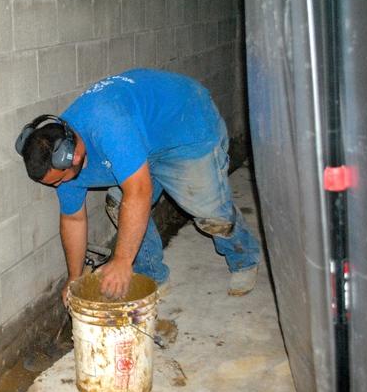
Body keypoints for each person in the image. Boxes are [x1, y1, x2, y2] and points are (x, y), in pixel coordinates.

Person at [15, 69, 261, 305]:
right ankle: (152, 275)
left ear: (74, 156)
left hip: (185, 124)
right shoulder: (59, 155)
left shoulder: (107, 125)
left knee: (209, 212)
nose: (58, 186)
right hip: (142, 138)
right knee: (118, 204)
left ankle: (244, 259)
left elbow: (139, 192)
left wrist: (122, 260)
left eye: (59, 180)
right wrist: (74, 277)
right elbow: (73, 220)